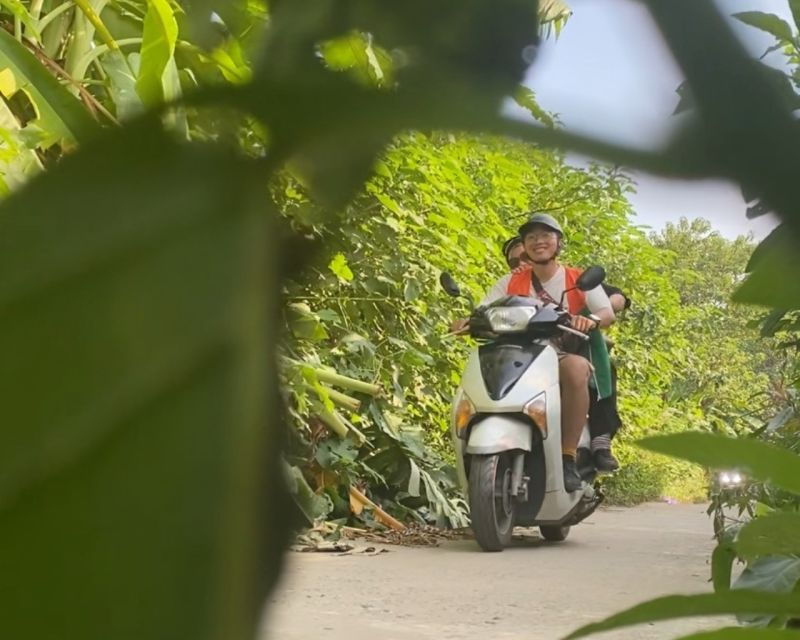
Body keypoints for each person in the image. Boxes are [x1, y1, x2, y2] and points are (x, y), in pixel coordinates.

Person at [481, 214, 615, 492]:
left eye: (545, 236)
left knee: (578, 369)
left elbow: (606, 311)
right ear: (525, 246)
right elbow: (483, 310)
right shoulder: (510, 280)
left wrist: (591, 320)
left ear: (558, 243)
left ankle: (567, 456)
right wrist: (466, 321)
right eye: (531, 237)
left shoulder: (577, 278)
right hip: (517, 353)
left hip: (559, 354)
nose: (538, 242)